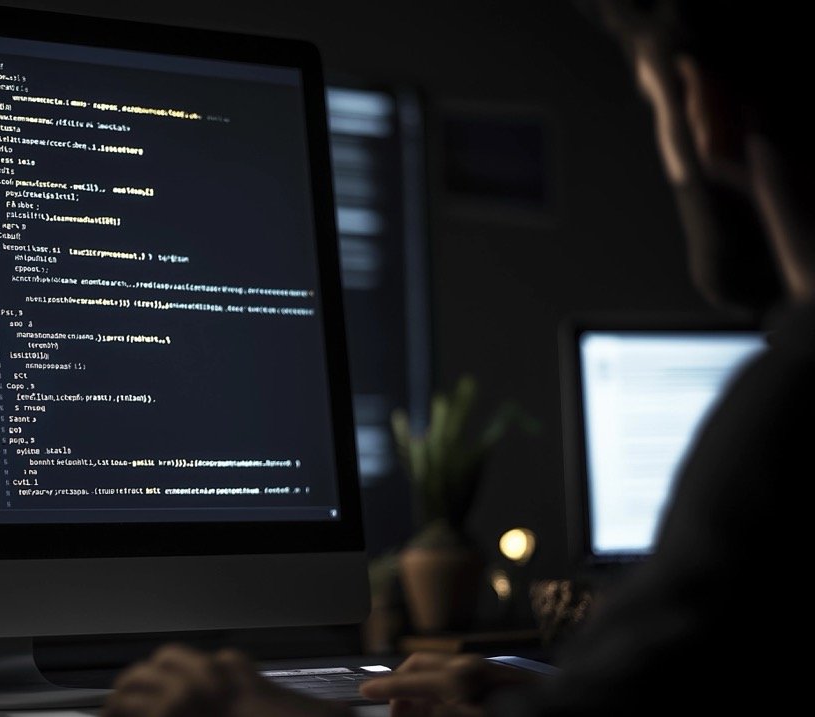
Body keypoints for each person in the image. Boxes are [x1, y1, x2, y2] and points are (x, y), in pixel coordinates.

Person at [101, 1, 814, 715]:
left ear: (701, 108)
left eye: (653, 102)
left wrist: (240, 708)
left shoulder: (788, 406)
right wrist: (545, 697)